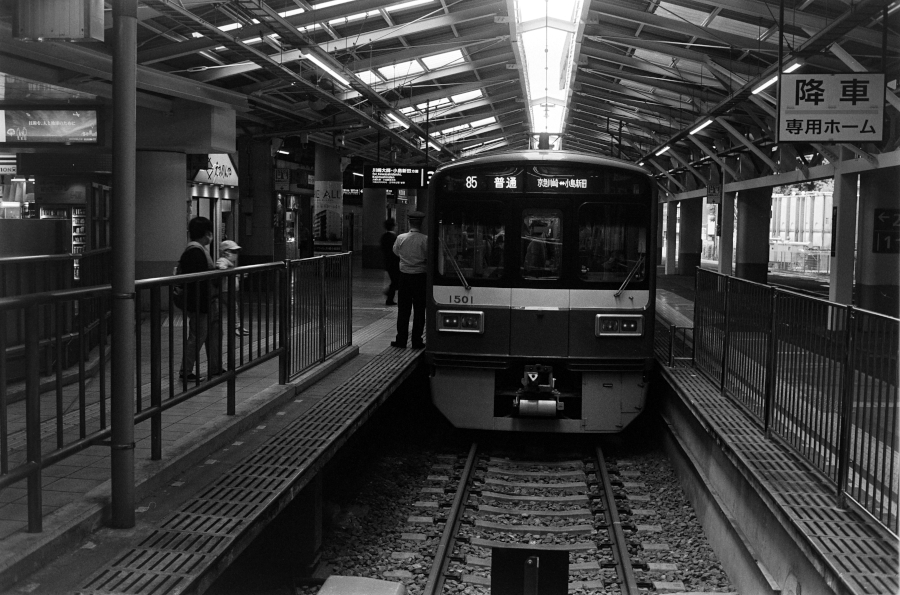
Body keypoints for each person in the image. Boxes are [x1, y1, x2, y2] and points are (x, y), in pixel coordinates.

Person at [178, 216, 222, 382]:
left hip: (202, 302)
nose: (211, 236)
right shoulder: (196, 252)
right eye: (209, 232)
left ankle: (215, 367)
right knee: (198, 336)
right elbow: (200, 283)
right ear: (205, 233)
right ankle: (186, 371)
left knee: (208, 334)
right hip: (200, 303)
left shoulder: (195, 250)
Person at [391, 210, 428, 349]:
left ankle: (401, 340)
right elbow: (428, 256)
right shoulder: (425, 239)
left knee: (403, 310)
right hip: (420, 278)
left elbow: (396, 252)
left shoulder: (401, 238)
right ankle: (416, 341)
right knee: (419, 310)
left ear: (409, 222)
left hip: (404, 277)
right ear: (421, 223)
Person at [216, 239, 250, 336]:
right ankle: (236, 327)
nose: (236, 254)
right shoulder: (223, 260)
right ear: (225, 252)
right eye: (233, 251)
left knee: (233, 308)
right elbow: (220, 266)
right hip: (225, 290)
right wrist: (225, 269)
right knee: (233, 308)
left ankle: (237, 326)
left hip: (230, 290)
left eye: (236, 252)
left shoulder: (229, 262)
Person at [380, 218, 400, 306]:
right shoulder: (394, 238)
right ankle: (389, 296)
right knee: (397, 281)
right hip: (395, 263)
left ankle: (389, 297)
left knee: (395, 281)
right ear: (393, 226)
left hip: (387, 263)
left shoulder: (384, 237)